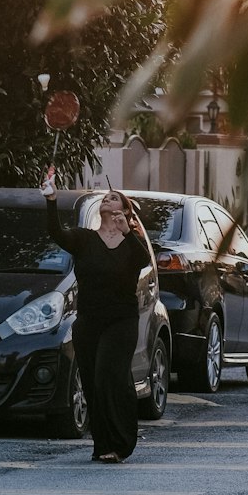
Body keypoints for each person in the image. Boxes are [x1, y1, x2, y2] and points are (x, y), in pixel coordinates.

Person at [42, 172, 151, 462]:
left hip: (121, 321)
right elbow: (57, 233)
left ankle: (122, 441)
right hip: (89, 321)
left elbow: (143, 262)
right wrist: (51, 200)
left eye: (114, 198)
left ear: (125, 211)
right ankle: (103, 445)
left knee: (109, 374)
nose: (108, 199)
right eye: (105, 198)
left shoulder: (131, 242)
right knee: (92, 381)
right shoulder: (84, 239)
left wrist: (128, 231)